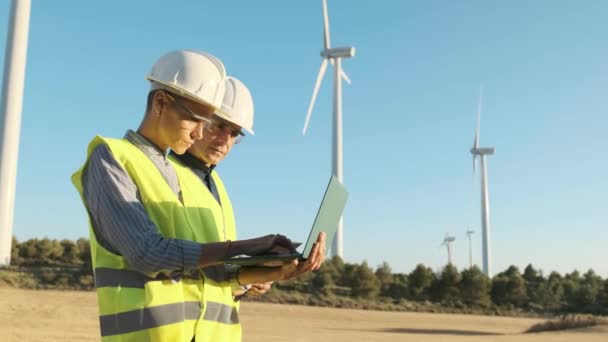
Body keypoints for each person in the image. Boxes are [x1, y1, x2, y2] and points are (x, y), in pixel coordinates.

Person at [71, 50, 325, 342]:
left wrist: (270, 270)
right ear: (161, 102)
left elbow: (201, 274)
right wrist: (249, 247)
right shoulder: (112, 156)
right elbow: (148, 254)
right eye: (198, 121)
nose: (199, 134)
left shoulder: (178, 174)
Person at [172, 77, 321, 301]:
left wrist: (253, 278)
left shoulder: (217, 186)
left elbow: (214, 272)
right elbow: (169, 261)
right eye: (219, 126)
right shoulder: (165, 173)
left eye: (234, 133)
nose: (225, 140)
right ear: (197, 120)